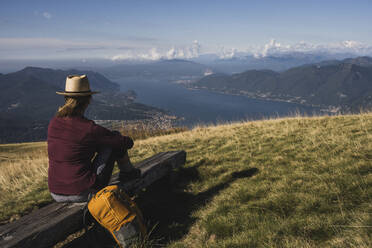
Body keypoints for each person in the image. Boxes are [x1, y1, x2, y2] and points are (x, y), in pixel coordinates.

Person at [47, 74, 140, 203]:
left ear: (65, 98)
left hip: (55, 192)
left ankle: (128, 173)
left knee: (109, 141)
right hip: (83, 192)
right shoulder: (88, 128)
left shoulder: (54, 123)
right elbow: (126, 143)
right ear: (88, 100)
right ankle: (128, 173)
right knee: (115, 139)